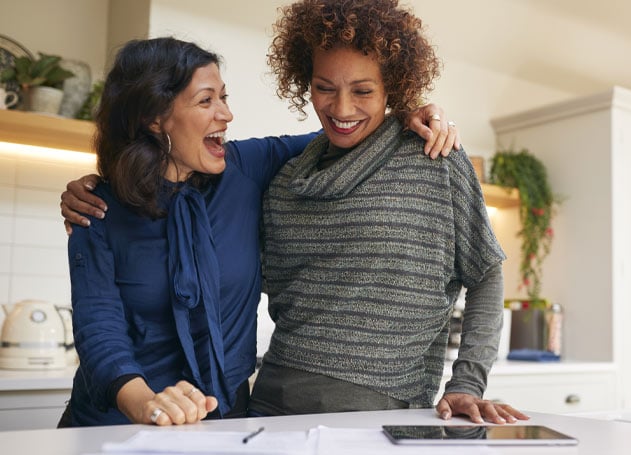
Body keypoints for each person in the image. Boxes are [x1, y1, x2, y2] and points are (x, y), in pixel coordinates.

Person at [59, 36, 457, 427]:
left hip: (223, 422)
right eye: (206, 101)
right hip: (119, 423)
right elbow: (98, 329)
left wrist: (405, 117)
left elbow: (346, 130)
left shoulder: (244, 170)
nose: (226, 115)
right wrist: (146, 404)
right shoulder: (98, 209)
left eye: (224, 98)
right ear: (154, 117)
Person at [248, 0, 529, 425]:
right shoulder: (286, 180)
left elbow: (486, 274)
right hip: (269, 402)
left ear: (392, 88)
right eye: (325, 87)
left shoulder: (435, 159)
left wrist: (467, 384)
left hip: (382, 411)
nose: (341, 109)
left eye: (362, 91)